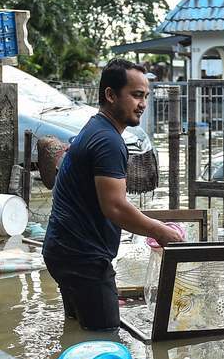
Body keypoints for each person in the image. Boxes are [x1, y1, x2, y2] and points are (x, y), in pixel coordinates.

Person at [43, 59, 185, 330]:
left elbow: (111, 202)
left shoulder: (95, 129)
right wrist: (159, 231)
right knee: (106, 338)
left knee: (77, 331)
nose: (142, 103)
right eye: (135, 95)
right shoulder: (108, 141)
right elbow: (116, 208)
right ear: (110, 95)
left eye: (145, 96)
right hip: (82, 258)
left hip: (63, 250)